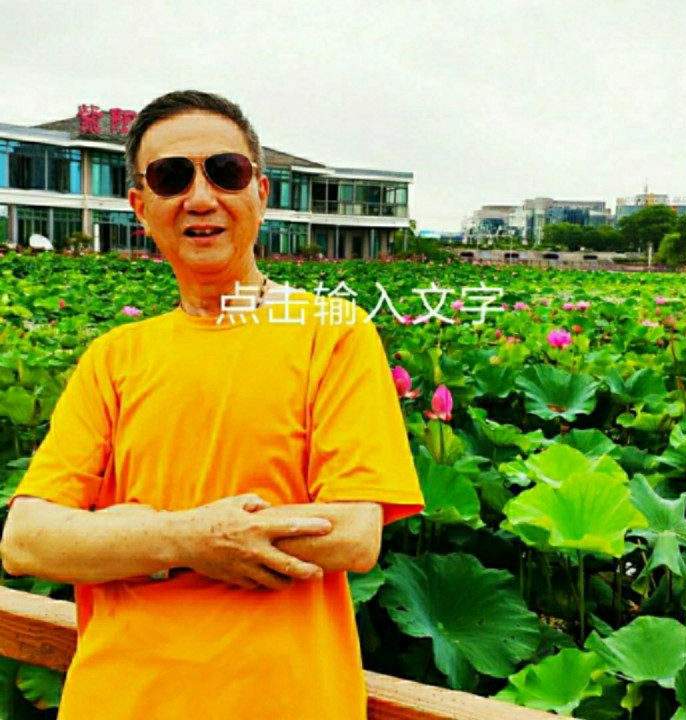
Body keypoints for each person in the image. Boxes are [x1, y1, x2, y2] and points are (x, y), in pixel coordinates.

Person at [0, 90, 424, 719]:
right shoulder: (113, 356)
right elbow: (27, 542)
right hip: (117, 701)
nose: (201, 197)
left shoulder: (333, 333)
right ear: (141, 207)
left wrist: (125, 536)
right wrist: (190, 538)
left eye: (225, 172)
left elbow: (350, 535)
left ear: (261, 192)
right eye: (172, 178)